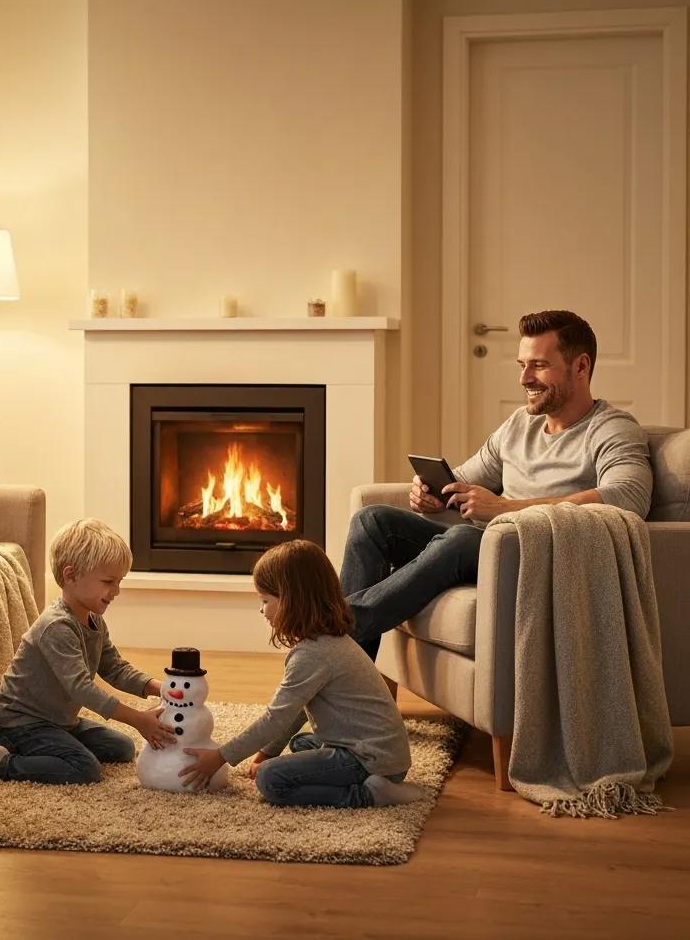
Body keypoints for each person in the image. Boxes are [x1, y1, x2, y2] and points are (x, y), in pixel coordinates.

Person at [341, 309, 653, 660]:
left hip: (535, 554)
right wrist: (431, 494)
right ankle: (348, 684)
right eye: (522, 364)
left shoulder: (612, 428)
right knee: (372, 521)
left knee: (462, 538)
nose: (524, 378)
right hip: (485, 546)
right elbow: (463, 478)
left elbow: (627, 498)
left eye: (539, 365)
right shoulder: (519, 424)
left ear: (580, 367)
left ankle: (334, 625)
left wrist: (504, 509)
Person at [179, 539, 423, 808]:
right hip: (380, 752)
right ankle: (367, 780)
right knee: (301, 744)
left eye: (265, 600)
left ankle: (370, 794)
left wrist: (220, 756)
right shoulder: (328, 640)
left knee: (271, 780)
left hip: (371, 760)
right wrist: (267, 751)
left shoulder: (311, 654)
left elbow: (275, 718)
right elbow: (296, 711)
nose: (262, 610)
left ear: (291, 600)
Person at [0, 518, 176, 785]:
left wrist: (160, 688)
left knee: (121, 748)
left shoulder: (94, 620)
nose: (117, 591)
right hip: (19, 722)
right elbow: (81, 689)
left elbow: (114, 668)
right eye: (109, 581)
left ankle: (57, 742)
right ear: (71, 575)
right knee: (84, 769)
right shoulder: (56, 626)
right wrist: (137, 719)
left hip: (58, 720)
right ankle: (3, 763)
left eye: (119, 581)